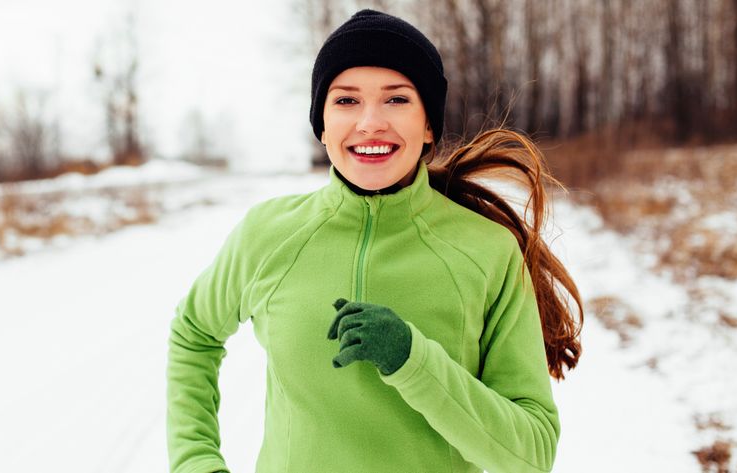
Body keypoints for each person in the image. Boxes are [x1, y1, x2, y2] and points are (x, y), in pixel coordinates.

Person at [167, 8, 583, 473]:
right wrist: (195, 462)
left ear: (428, 125)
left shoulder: (487, 252)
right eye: (345, 101)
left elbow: (531, 456)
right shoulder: (269, 235)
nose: (370, 122)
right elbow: (194, 333)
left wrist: (412, 358)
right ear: (321, 125)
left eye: (396, 100)